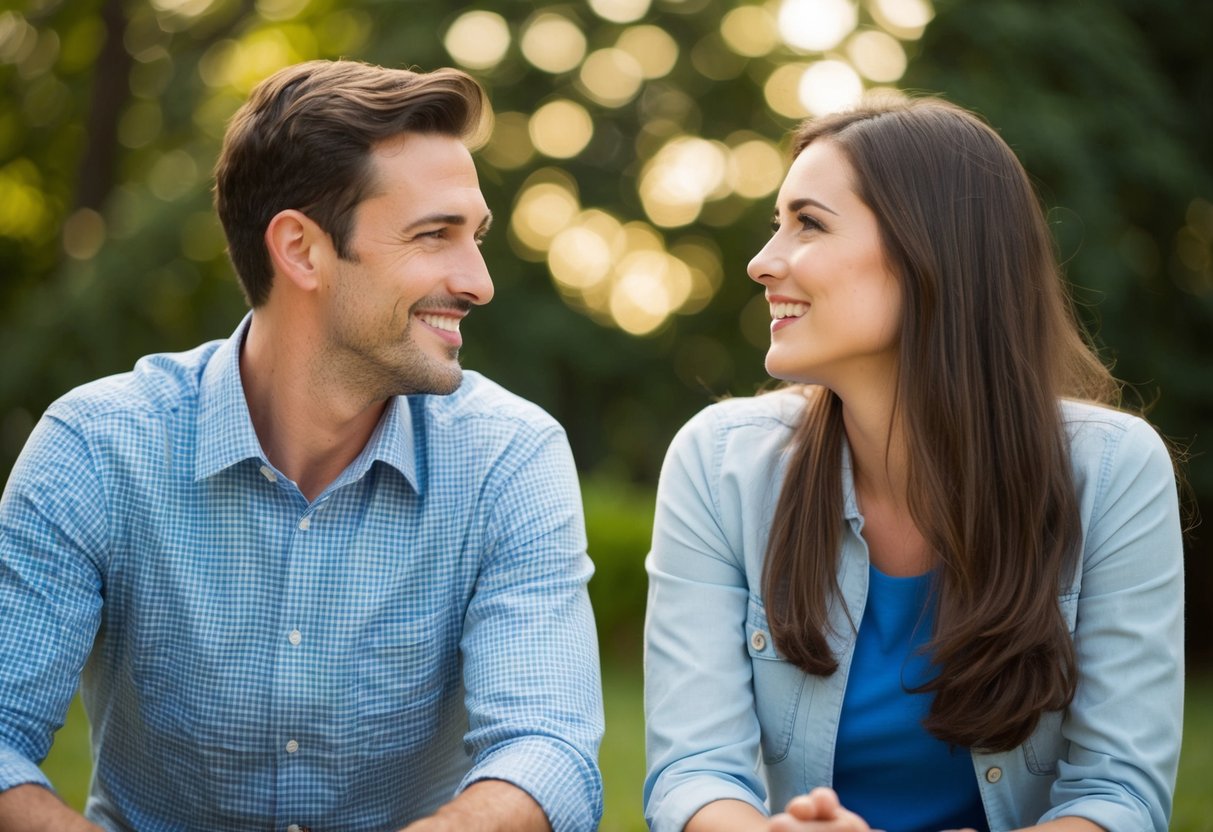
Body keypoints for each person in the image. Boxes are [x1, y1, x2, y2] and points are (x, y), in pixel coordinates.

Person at [0, 60, 603, 832]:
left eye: (473, 236)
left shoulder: (507, 457)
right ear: (301, 249)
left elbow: (545, 748)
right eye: (435, 235)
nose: (479, 280)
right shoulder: (98, 448)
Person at [643, 97, 1184, 832]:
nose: (762, 261)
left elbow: (1119, 796)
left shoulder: (1115, 471)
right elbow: (692, 771)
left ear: (928, 252)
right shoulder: (717, 463)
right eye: (777, 224)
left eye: (808, 223)